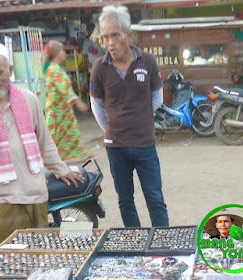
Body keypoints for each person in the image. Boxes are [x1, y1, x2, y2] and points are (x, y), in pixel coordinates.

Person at [0, 41, 84, 243]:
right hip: (3, 196)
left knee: (41, 252)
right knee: (14, 255)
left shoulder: (28, 99)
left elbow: (45, 141)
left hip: (35, 191)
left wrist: (61, 169)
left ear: (10, 70)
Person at [89, 5, 169, 227]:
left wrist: (140, 120)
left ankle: (165, 244)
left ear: (129, 34)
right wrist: (112, 128)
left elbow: (157, 100)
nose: (110, 42)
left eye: (115, 35)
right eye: (105, 37)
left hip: (145, 143)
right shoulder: (99, 68)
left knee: (155, 198)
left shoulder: (148, 62)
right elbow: (96, 105)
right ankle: (136, 247)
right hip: (116, 147)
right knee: (125, 201)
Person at [42, 40, 91, 163]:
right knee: (56, 134)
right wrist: (79, 102)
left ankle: (76, 154)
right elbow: (65, 89)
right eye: (63, 50)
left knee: (69, 131)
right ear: (57, 53)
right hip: (57, 109)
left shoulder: (56, 68)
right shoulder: (54, 69)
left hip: (63, 108)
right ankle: (49, 157)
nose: (65, 53)